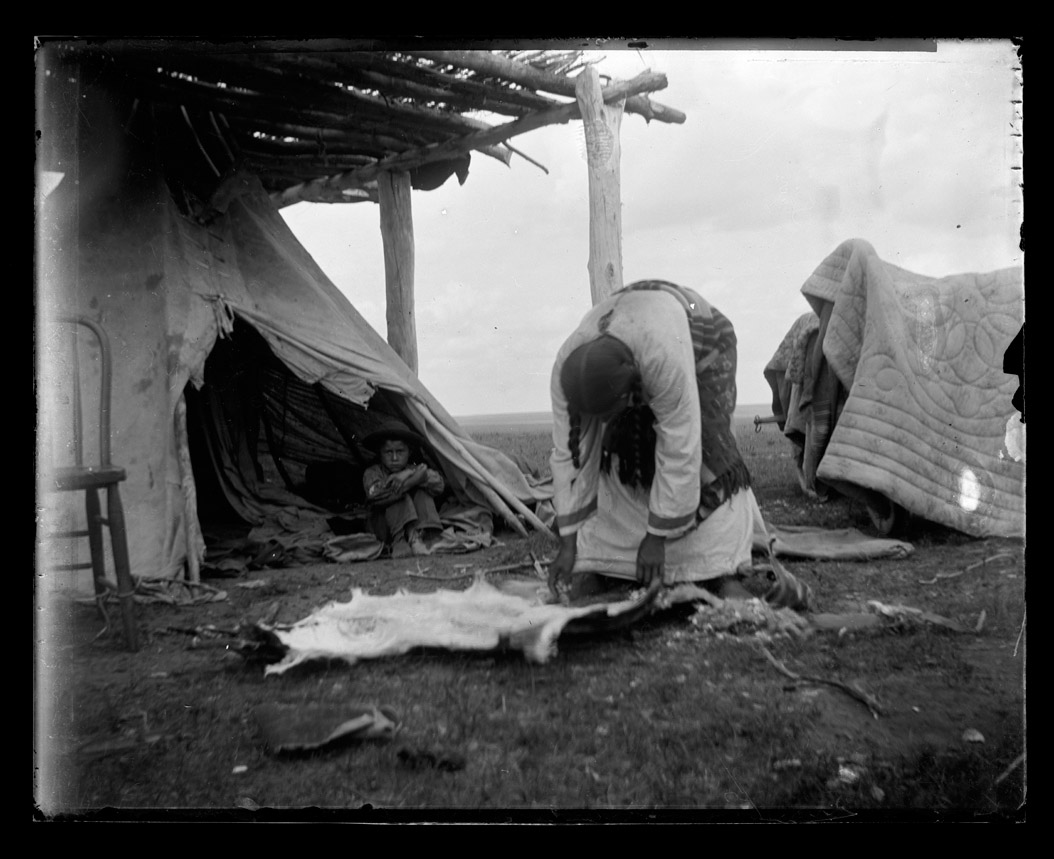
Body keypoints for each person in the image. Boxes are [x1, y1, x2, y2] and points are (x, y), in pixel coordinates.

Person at [548, 279, 758, 600]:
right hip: (640, 328)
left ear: (631, 389)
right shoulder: (566, 368)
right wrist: (568, 543)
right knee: (618, 446)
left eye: (608, 411)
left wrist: (657, 538)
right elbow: (570, 456)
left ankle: (716, 565)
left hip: (701, 337)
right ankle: (607, 559)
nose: (602, 422)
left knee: (707, 448)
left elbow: (681, 449)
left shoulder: (662, 358)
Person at [361, 418, 446, 557]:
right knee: (398, 497)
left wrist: (409, 474)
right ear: (380, 453)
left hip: (419, 530)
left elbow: (438, 484)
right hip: (385, 530)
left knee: (422, 492)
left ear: (409, 452)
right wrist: (411, 482)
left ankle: (428, 535)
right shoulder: (373, 472)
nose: (394, 458)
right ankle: (401, 542)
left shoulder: (412, 469)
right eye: (388, 452)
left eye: (400, 451)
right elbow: (376, 495)